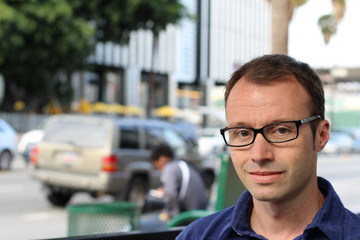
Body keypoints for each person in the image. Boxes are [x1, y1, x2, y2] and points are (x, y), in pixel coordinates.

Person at [177, 54, 360, 240]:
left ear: (321, 135)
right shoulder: (197, 236)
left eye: (281, 131)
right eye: (242, 133)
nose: (259, 154)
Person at [141, 143, 208, 229]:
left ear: (162, 159)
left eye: (157, 166)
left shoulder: (170, 168)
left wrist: (171, 215)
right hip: (199, 211)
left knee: (150, 223)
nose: (158, 169)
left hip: (187, 217)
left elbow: (171, 193)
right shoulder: (181, 164)